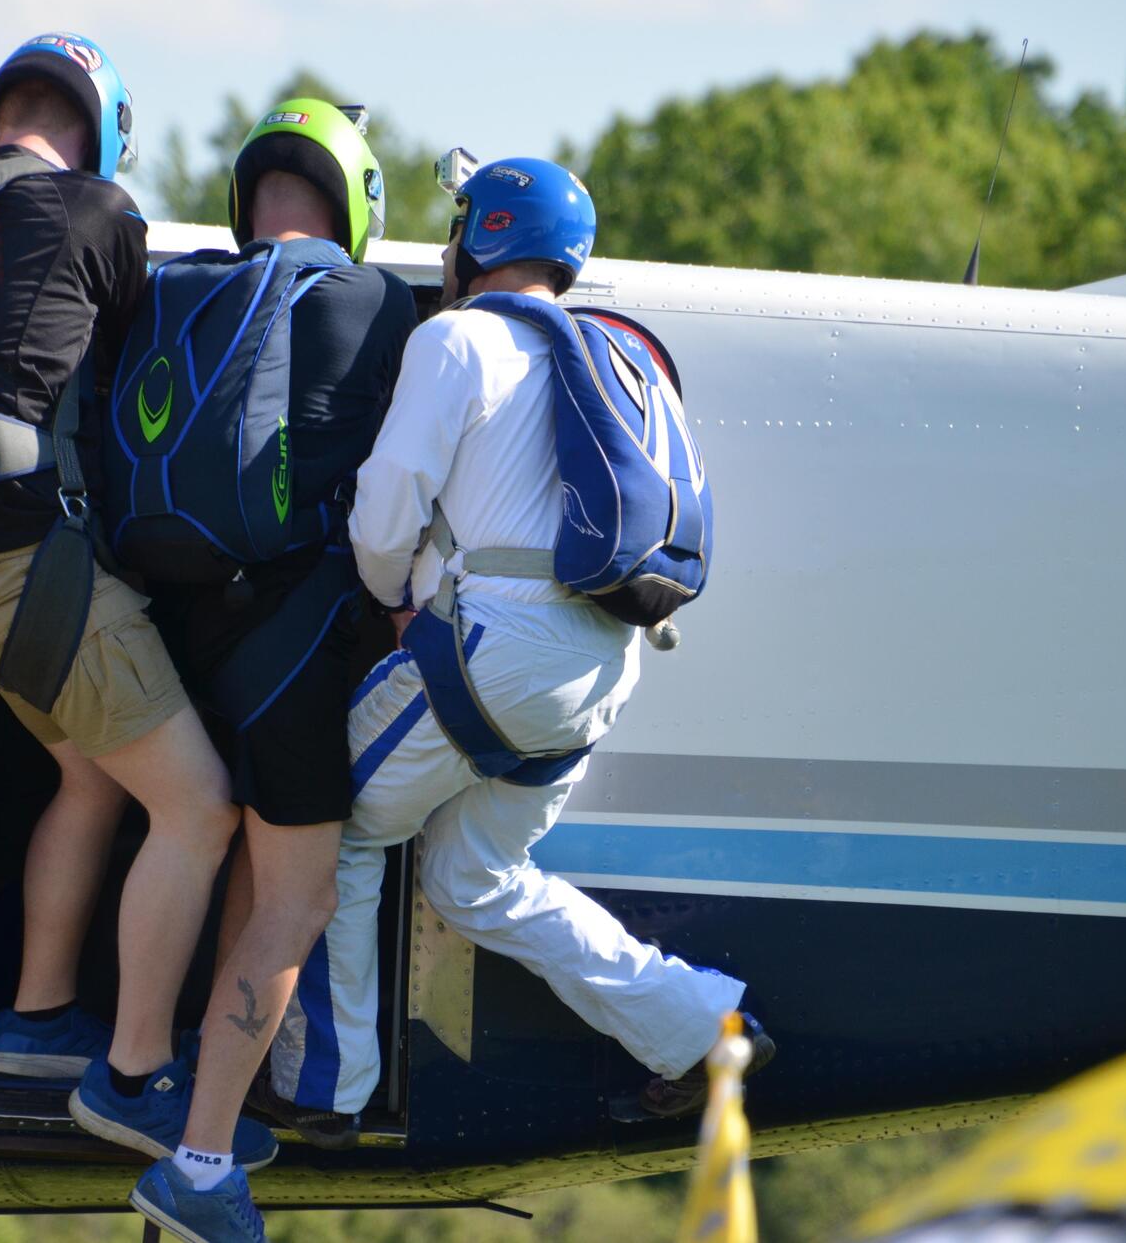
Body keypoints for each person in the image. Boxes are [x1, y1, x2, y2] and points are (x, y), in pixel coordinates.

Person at [263, 157, 771, 1148]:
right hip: (598, 667)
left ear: (482, 235)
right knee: (472, 877)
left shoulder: (456, 338)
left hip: (487, 656)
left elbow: (387, 507)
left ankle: (325, 1083)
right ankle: (703, 1029)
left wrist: (388, 599)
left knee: (333, 827)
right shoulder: (617, 357)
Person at [0, 33, 265, 1166]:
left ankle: (40, 1019)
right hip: (29, 570)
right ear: (100, 131)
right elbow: (137, 373)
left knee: (89, 771)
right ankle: (134, 1076)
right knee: (200, 809)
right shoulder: (97, 213)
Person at [108, 101, 417, 1239]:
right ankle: (196, 1165)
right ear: (359, 199)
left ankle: (182, 1085)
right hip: (300, 636)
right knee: (300, 897)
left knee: (217, 835)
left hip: (179, 627)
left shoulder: (180, 285)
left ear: (251, 197)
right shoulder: (377, 299)